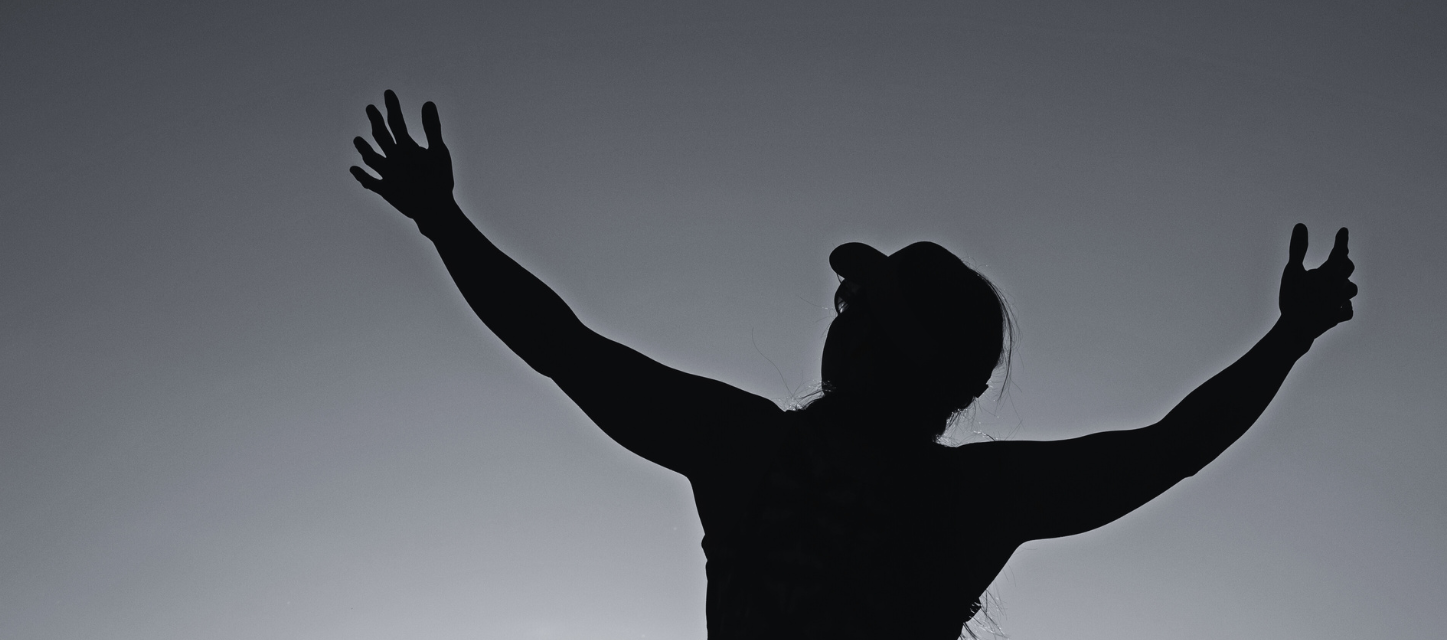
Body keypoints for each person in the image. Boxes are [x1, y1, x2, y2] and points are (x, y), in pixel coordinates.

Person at [348, 90, 1358, 639]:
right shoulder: (974, 498)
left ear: (878, 343)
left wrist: (445, 223)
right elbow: (1172, 448)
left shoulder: (750, 449)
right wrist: (1289, 338)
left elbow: (564, 350)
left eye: (858, 307)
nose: (841, 319)